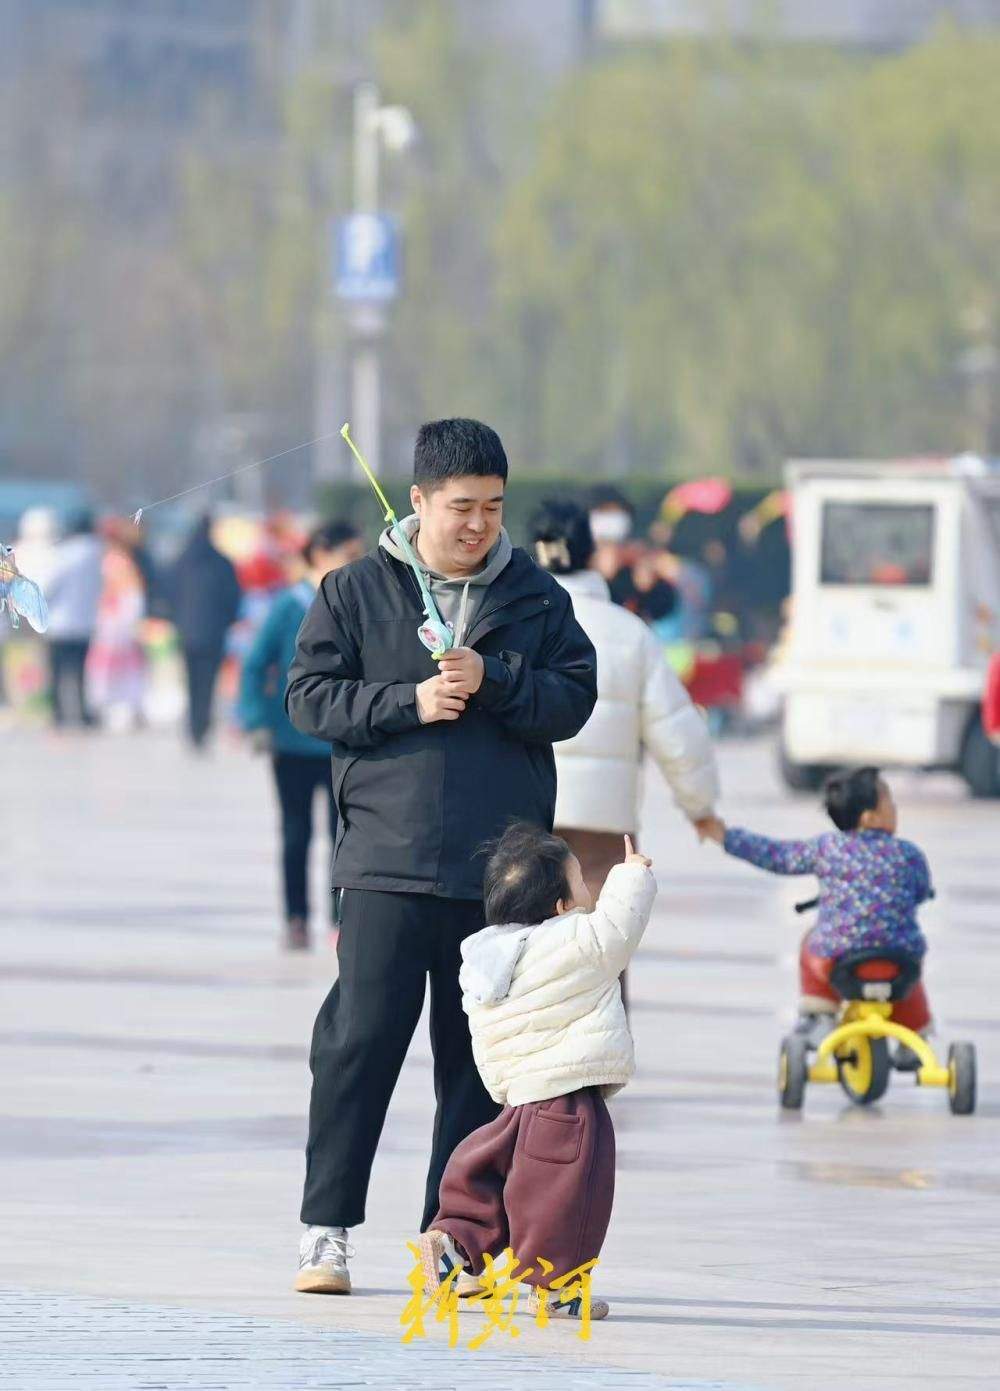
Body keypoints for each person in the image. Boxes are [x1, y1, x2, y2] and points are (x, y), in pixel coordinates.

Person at [286, 418, 597, 1295]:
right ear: (418, 499)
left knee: (477, 1061)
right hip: (385, 859)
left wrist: (495, 681)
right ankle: (325, 1230)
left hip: (499, 875)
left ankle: (451, 1240)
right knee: (357, 1046)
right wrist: (408, 701)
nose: (478, 525)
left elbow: (574, 697)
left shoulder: (536, 596)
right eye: (461, 507)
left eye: (494, 508)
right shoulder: (352, 591)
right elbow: (309, 698)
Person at [418, 823, 657, 1323]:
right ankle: (559, 1290)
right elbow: (617, 928)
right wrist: (631, 876)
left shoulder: (486, 959)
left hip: (519, 1100)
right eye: (579, 880)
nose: (588, 891)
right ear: (559, 907)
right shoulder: (572, 941)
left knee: (504, 1187)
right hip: (569, 1101)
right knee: (568, 1198)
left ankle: (455, 1243)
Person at [530, 501, 720, 1008]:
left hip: (522, 812)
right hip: (602, 824)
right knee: (604, 940)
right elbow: (679, 733)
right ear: (593, 557)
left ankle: (523, 1074)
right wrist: (701, 808)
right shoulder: (629, 632)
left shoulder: (510, 624)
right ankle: (599, 1073)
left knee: (523, 940)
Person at [699, 767, 934, 1065]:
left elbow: (777, 855)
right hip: (899, 960)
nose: (895, 809)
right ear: (869, 817)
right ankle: (916, 1036)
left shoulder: (827, 848)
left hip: (840, 960)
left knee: (811, 942)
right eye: (889, 802)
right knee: (906, 970)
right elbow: (922, 890)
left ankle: (819, 1015)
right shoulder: (909, 854)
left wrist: (726, 836)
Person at [238, 521, 365, 951]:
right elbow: (254, 665)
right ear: (320, 555)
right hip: (290, 742)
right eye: (348, 553)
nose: (356, 562)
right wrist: (255, 720)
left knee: (343, 835)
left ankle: (339, 917)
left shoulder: (357, 603)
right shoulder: (287, 606)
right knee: (296, 834)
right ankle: (295, 918)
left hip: (341, 743)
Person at [165, 515, 242, 750]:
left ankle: (193, 726)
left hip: (187, 633)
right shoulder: (222, 563)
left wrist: (176, 620)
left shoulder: (181, 561)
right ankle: (202, 726)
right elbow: (234, 598)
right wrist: (227, 620)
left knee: (191, 682)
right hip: (214, 633)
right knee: (208, 683)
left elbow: (169, 593)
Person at [45, 509, 104, 728]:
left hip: (60, 623)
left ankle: (59, 714)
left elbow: (50, 585)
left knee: (57, 672)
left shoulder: (65, 554)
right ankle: (82, 714)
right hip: (85, 622)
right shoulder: (98, 554)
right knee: (80, 672)